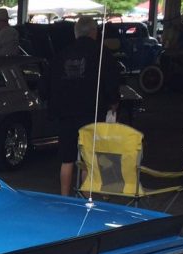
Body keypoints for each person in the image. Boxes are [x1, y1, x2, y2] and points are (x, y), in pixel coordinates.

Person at [44, 16, 120, 196]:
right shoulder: (102, 54)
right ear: (94, 32)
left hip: (65, 113)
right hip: (91, 113)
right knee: (89, 157)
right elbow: (112, 81)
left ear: (76, 33)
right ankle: (86, 198)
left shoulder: (62, 54)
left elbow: (46, 83)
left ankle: (64, 196)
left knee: (67, 158)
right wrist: (113, 102)